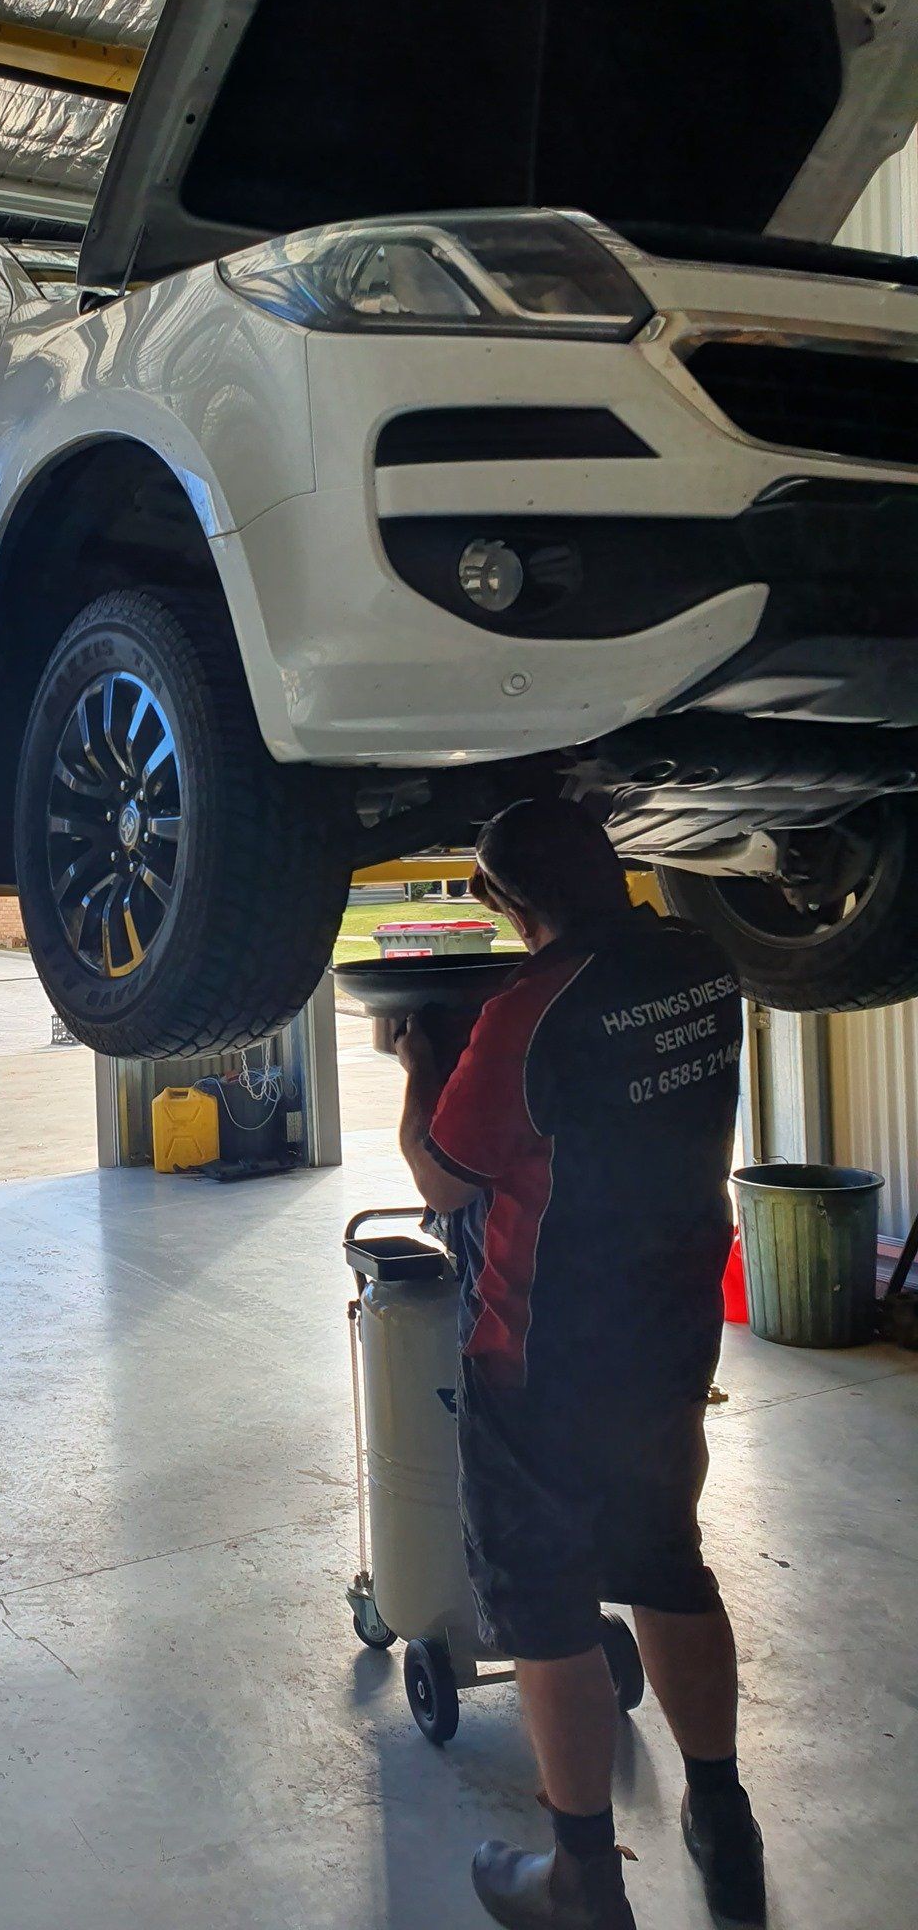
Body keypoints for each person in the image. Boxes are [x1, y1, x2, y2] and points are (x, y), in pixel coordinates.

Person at [395, 797, 764, 1930]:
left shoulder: (528, 1013)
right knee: (667, 1563)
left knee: (548, 1607)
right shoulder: (704, 964)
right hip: (669, 1332)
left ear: (508, 904)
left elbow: (443, 1177)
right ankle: (724, 1824)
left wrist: (420, 1062)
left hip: (541, 1356)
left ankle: (582, 1880)